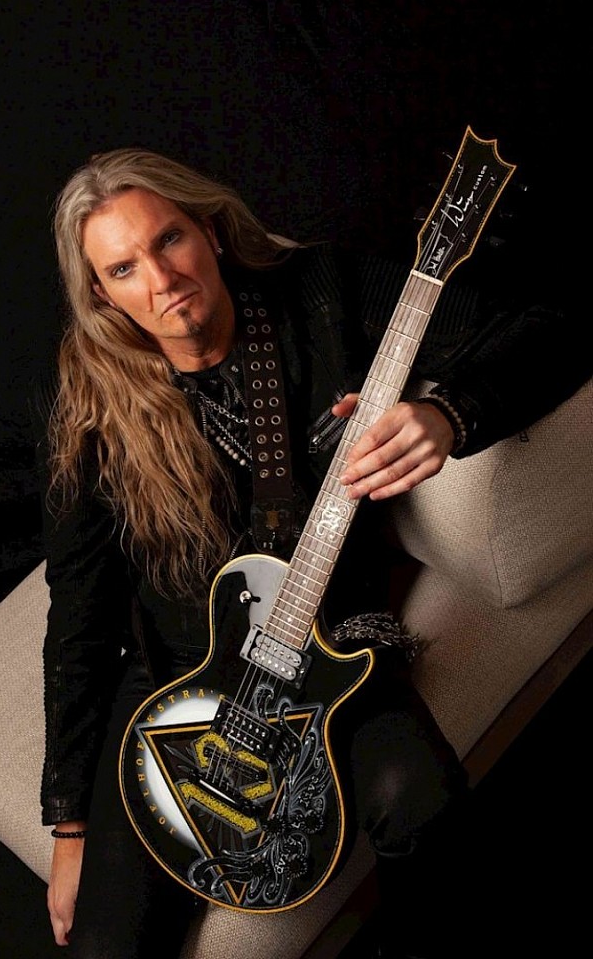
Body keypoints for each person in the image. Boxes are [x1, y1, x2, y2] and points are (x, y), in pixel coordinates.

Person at [32, 146, 588, 959]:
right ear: (102, 295)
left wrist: (449, 414)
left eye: (169, 239)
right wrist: (70, 824)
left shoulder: (320, 290)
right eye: (123, 268)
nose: (161, 278)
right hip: (176, 679)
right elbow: (78, 613)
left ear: (210, 231)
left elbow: (556, 331)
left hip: (330, 644)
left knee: (422, 798)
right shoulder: (89, 404)